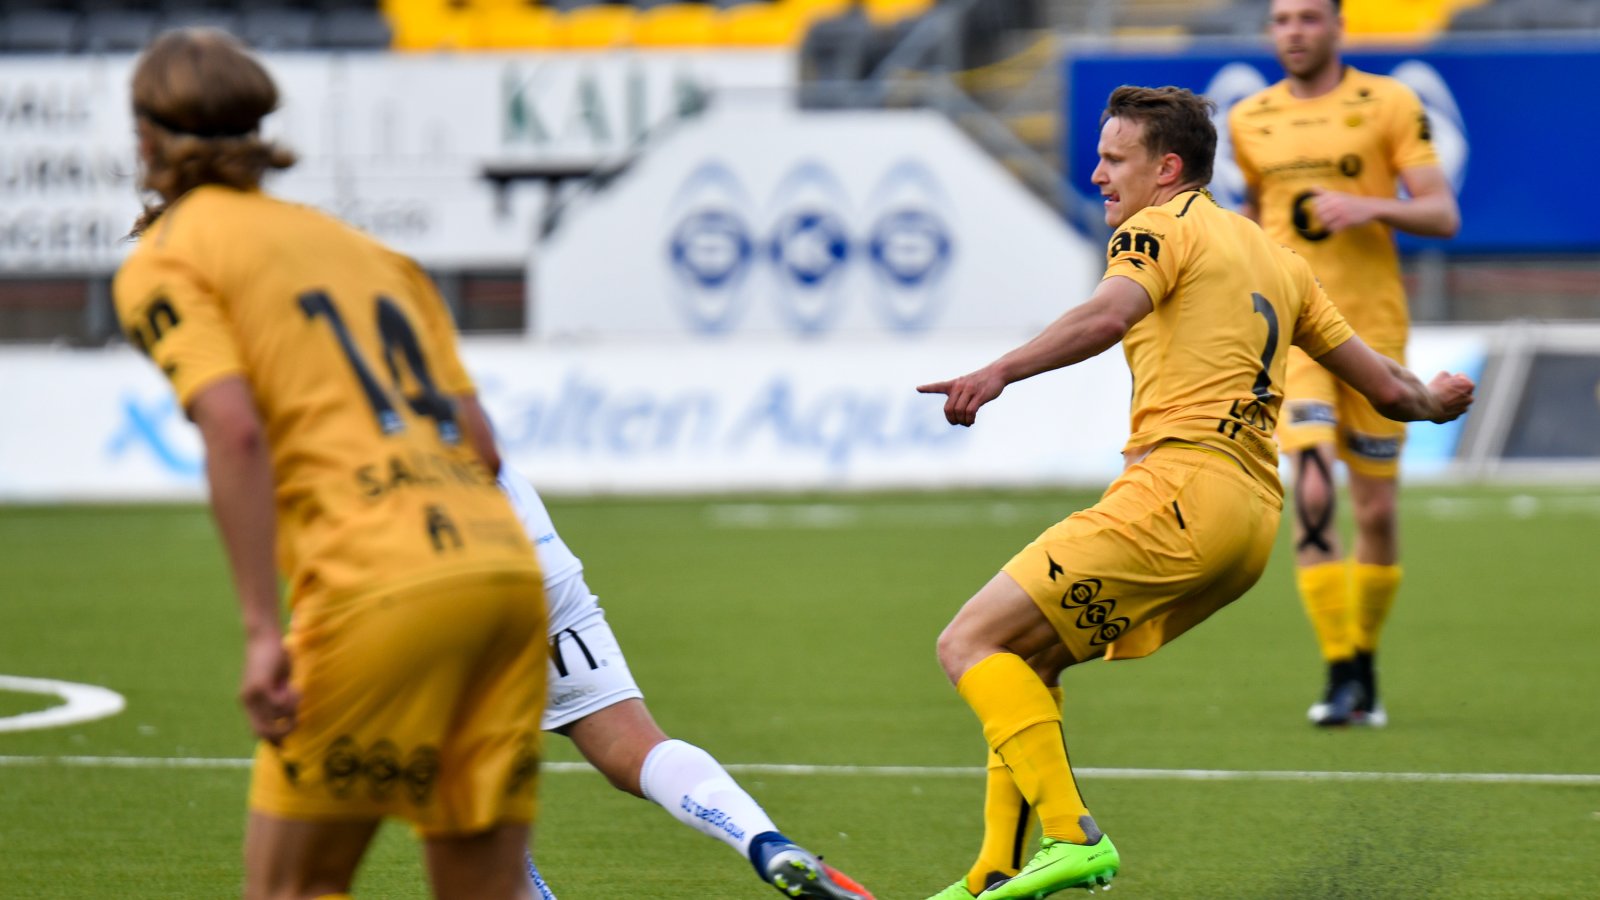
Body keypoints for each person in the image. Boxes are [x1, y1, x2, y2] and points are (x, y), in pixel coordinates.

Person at [915, 85, 1473, 899]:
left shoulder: (1157, 229)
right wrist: (1433, 400)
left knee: (968, 643)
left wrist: (998, 370)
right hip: (1248, 523)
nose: (1099, 174)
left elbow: (1110, 314)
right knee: (1027, 659)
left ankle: (1072, 839)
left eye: (1115, 159)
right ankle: (992, 873)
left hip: (1177, 488)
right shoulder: (1277, 258)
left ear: (1166, 168)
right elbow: (1387, 388)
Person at [113, 29, 548, 900]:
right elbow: (483, 443)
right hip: (504, 577)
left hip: (375, 592)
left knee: (291, 889)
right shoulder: (375, 256)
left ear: (148, 139)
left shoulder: (167, 257)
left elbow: (235, 430)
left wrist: (258, 631)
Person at [1228, 0, 1461, 726]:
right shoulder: (1249, 119)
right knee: (1313, 483)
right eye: (1281, 19)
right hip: (1295, 335)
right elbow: (1261, 218)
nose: (1293, 31)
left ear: (1337, 26)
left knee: (1377, 511)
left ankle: (1363, 659)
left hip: (1373, 330)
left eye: (1307, 18)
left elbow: (1442, 213)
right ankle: (1336, 672)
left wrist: (1372, 208)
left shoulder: (1388, 102)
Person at [493, 468, 872, 900]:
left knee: (462, 773)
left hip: (440, 570)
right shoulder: (447, 400)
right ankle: (766, 844)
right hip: (540, 564)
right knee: (633, 748)